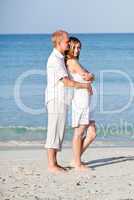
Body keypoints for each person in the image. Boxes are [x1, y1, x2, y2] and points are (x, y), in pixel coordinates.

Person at [44, 30, 92, 173]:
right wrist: (85, 85)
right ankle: (51, 165)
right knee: (54, 131)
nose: (68, 43)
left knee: (58, 131)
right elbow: (66, 82)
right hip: (56, 99)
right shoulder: (54, 60)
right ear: (59, 43)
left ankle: (54, 163)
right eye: (66, 41)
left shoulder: (59, 58)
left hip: (62, 99)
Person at [65, 37, 97, 171]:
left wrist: (91, 76)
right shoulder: (72, 61)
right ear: (69, 48)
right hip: (80, 100)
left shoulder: (75, 61)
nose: (77, 50)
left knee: (92, 132)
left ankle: (75, 159)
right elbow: (87, 76)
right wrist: (90, 76)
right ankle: (77, 163)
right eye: (75, 47)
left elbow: (90, 77)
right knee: (79, 132)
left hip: (85, 100)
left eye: (79, 48)